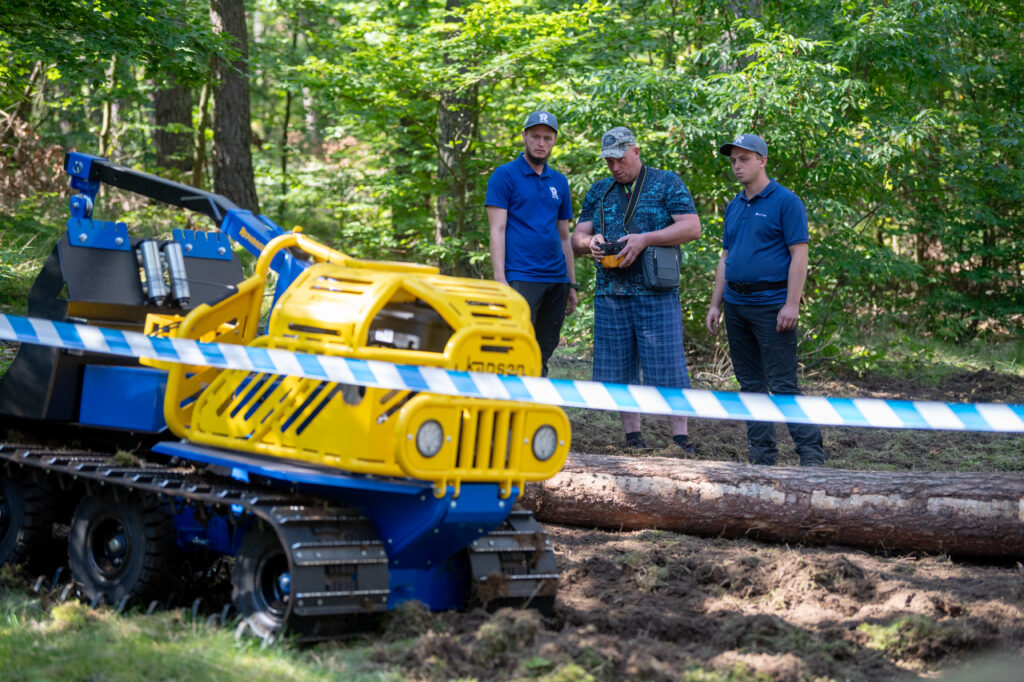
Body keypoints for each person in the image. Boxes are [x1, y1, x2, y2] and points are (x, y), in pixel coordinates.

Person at [571, 126, 701, 453]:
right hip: (610, 293)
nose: (615, 167)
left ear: (636, 151)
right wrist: (591, 243)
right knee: (618, 369)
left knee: (668, 367)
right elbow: (576, 239)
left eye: (619, 158)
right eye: (609, 161)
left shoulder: (666, 182)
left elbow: (692, 227)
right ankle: (633, 437)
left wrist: (645, 239)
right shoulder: (599, 190)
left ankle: (681, 439)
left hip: (656, 291)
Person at [705, 133, 826, 466]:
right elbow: (725, 257)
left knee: (783, 383)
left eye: (744, 159)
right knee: (749, 385)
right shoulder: (733, 205)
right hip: (736, 305)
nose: (737, 166)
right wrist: (716, 304)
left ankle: (811, 454)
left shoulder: (786, 202)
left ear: (762, 160)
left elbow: (799, 255)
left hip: (773, 306)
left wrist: (791, 302)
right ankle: (761, 458)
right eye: (733, 161)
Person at [486, 110, 578, 377]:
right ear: (524, 136)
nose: (541, 143)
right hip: (521, 277)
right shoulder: (504, 176)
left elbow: (564, 235)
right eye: (536, 136)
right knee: (514, 347)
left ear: (554, 141)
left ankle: (533, 407)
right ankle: (507, 406)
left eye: (548, 138)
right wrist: (499, 279)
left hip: (556, 280)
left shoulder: (559, 181)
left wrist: (571, 283)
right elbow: (497, 229)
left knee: (543, 350)